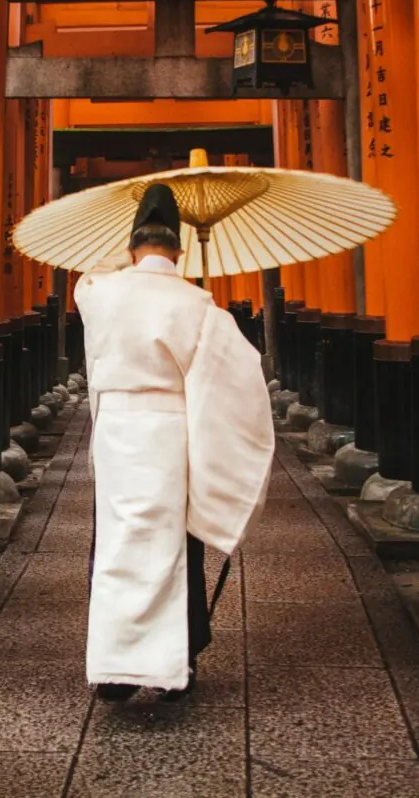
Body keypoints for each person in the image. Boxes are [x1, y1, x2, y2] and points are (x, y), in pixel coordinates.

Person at [75, 183, 275, 703]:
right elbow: (235, 379)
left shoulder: (97, 292)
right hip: (170, 432)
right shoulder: (199, 304)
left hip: (118, 433)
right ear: (181, 250)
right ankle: (176, 663)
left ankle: (114, 671)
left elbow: (91, 276)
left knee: (116, 545)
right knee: (176, 544)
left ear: (131, 245)